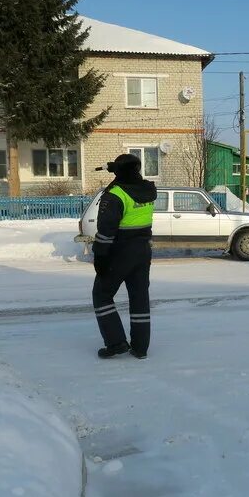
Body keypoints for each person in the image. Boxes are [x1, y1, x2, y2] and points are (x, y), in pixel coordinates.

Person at [92, 154, 157, 359]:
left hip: (119, 252)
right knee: (139, 298)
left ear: (119, 171)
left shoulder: (116, 194)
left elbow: (106, 230)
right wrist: (118, 167)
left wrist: (100, 257)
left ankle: (116, 342)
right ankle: (140, 347)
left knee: (101, 295)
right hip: (143, 250)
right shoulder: (147, 190)